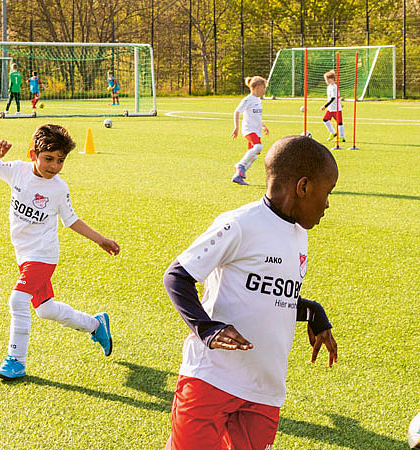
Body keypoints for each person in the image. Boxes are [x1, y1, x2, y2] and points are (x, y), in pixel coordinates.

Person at [162, 134, 339, 450]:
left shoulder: (299, 235)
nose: (327, 204)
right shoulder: (239, 224)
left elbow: (272, 297)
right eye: (327, 193)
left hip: (264, 389)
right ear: (303, 187)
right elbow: (177, 277)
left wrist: (313, 312)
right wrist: (208, 330)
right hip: (211, 379)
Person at [0, 125, 120, 381]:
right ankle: (96, 325)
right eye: (49, 159)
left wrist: (101, 240)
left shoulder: (58, 188)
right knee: (45, 309)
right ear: (33, 154)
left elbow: (72, 220)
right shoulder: (18, 171)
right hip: (23, 255)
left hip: (43, 256)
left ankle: (15, 361)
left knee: (18, 300)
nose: (54, 166)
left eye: (60, 160)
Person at [230, 76, 271, 186]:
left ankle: (237, 177)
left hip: (257, 131)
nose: (265, 90)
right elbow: (237, 112)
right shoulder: (248, 99)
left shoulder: (258, 100)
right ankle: (240, 165)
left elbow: (257, 116)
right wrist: (236, 127)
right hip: (248, 130)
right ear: (257, 87)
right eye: (264, 88)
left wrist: (263, 126)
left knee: (254, 156)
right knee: (258, 147)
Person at [320, 70, 345, 145]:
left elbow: (333, 98)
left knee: (339, 122)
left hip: (336, 108)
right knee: (325, 119)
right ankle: (333, 133)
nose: (326, 81)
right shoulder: (329, 87)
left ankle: (341, 137)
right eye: (326, 80)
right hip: (331, 108)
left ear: (332, 79)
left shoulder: (334, 87)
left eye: (327, 79)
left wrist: (325, 106)